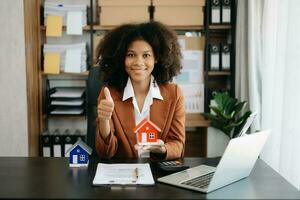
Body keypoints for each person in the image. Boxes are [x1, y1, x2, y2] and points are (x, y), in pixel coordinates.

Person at [95, 21, 185, 160]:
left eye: (146, 55)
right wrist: (104, 121)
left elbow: (178, 145)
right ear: (121, 58)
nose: (138, 62)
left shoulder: (174, 94)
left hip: (157, 174)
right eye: (131, 55)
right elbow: (105, 153)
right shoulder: (109, 95)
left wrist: (163, 149)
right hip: (123, 175)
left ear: (157, 58)